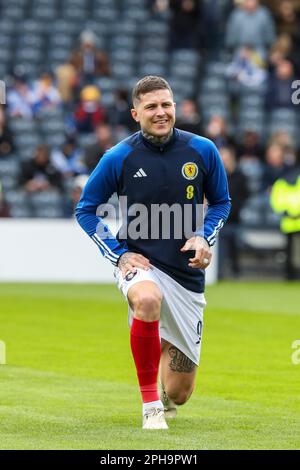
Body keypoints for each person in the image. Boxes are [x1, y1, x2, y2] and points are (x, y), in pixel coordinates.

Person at [76, 76, 231, 429]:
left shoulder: (203, 150)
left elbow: (222, 202)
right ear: (135, 113)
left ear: (174, 106)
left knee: (180, 392)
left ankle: (163, 390)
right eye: (151, 107)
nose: (161, 112)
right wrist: (118, 254)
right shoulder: (119, 156)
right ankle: (150, 407)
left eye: (166, 104)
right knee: (146, 300)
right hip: (139, 261)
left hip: (186, 275)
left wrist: (205, 237)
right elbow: (86, 209)